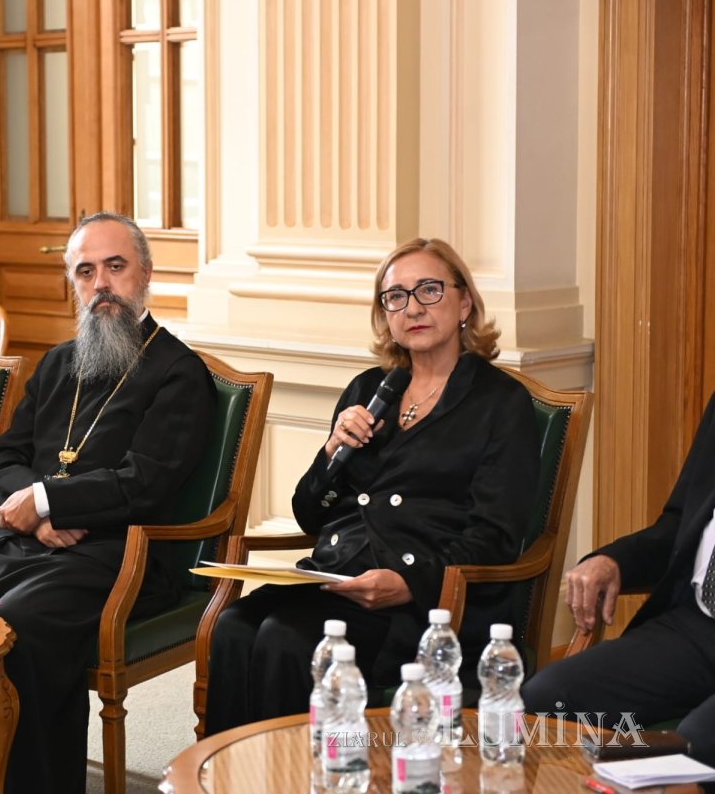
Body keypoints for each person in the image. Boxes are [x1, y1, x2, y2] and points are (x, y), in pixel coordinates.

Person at [0, 211, 216, 793]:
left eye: (115, 266)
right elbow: (2, 460)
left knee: (10, 632)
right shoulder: (58, 363)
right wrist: (36, 507)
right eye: (85, 271)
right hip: (21, 542)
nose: (100, 283)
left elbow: (146, 482)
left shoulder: (179, 372)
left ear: (145, 273)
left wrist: (49, 501)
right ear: (72, 285)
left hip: (115, 556)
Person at [202, 237, 540, 734]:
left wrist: (410, 583)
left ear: (464, 301)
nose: (413, 308)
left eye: (428, 290)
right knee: (232, 628)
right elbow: (308, 515)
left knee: (285, 638)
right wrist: (332, 453)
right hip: (339, 578)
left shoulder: (501, 402)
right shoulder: (369, 388)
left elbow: (496, 534)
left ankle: (302, 784)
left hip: (427, 600)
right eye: (395, 297)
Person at [522, 396, 715, 765]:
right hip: (696, 627)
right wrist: (613, 561)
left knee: (694, 746)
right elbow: (680, 523)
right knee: (546, 698)